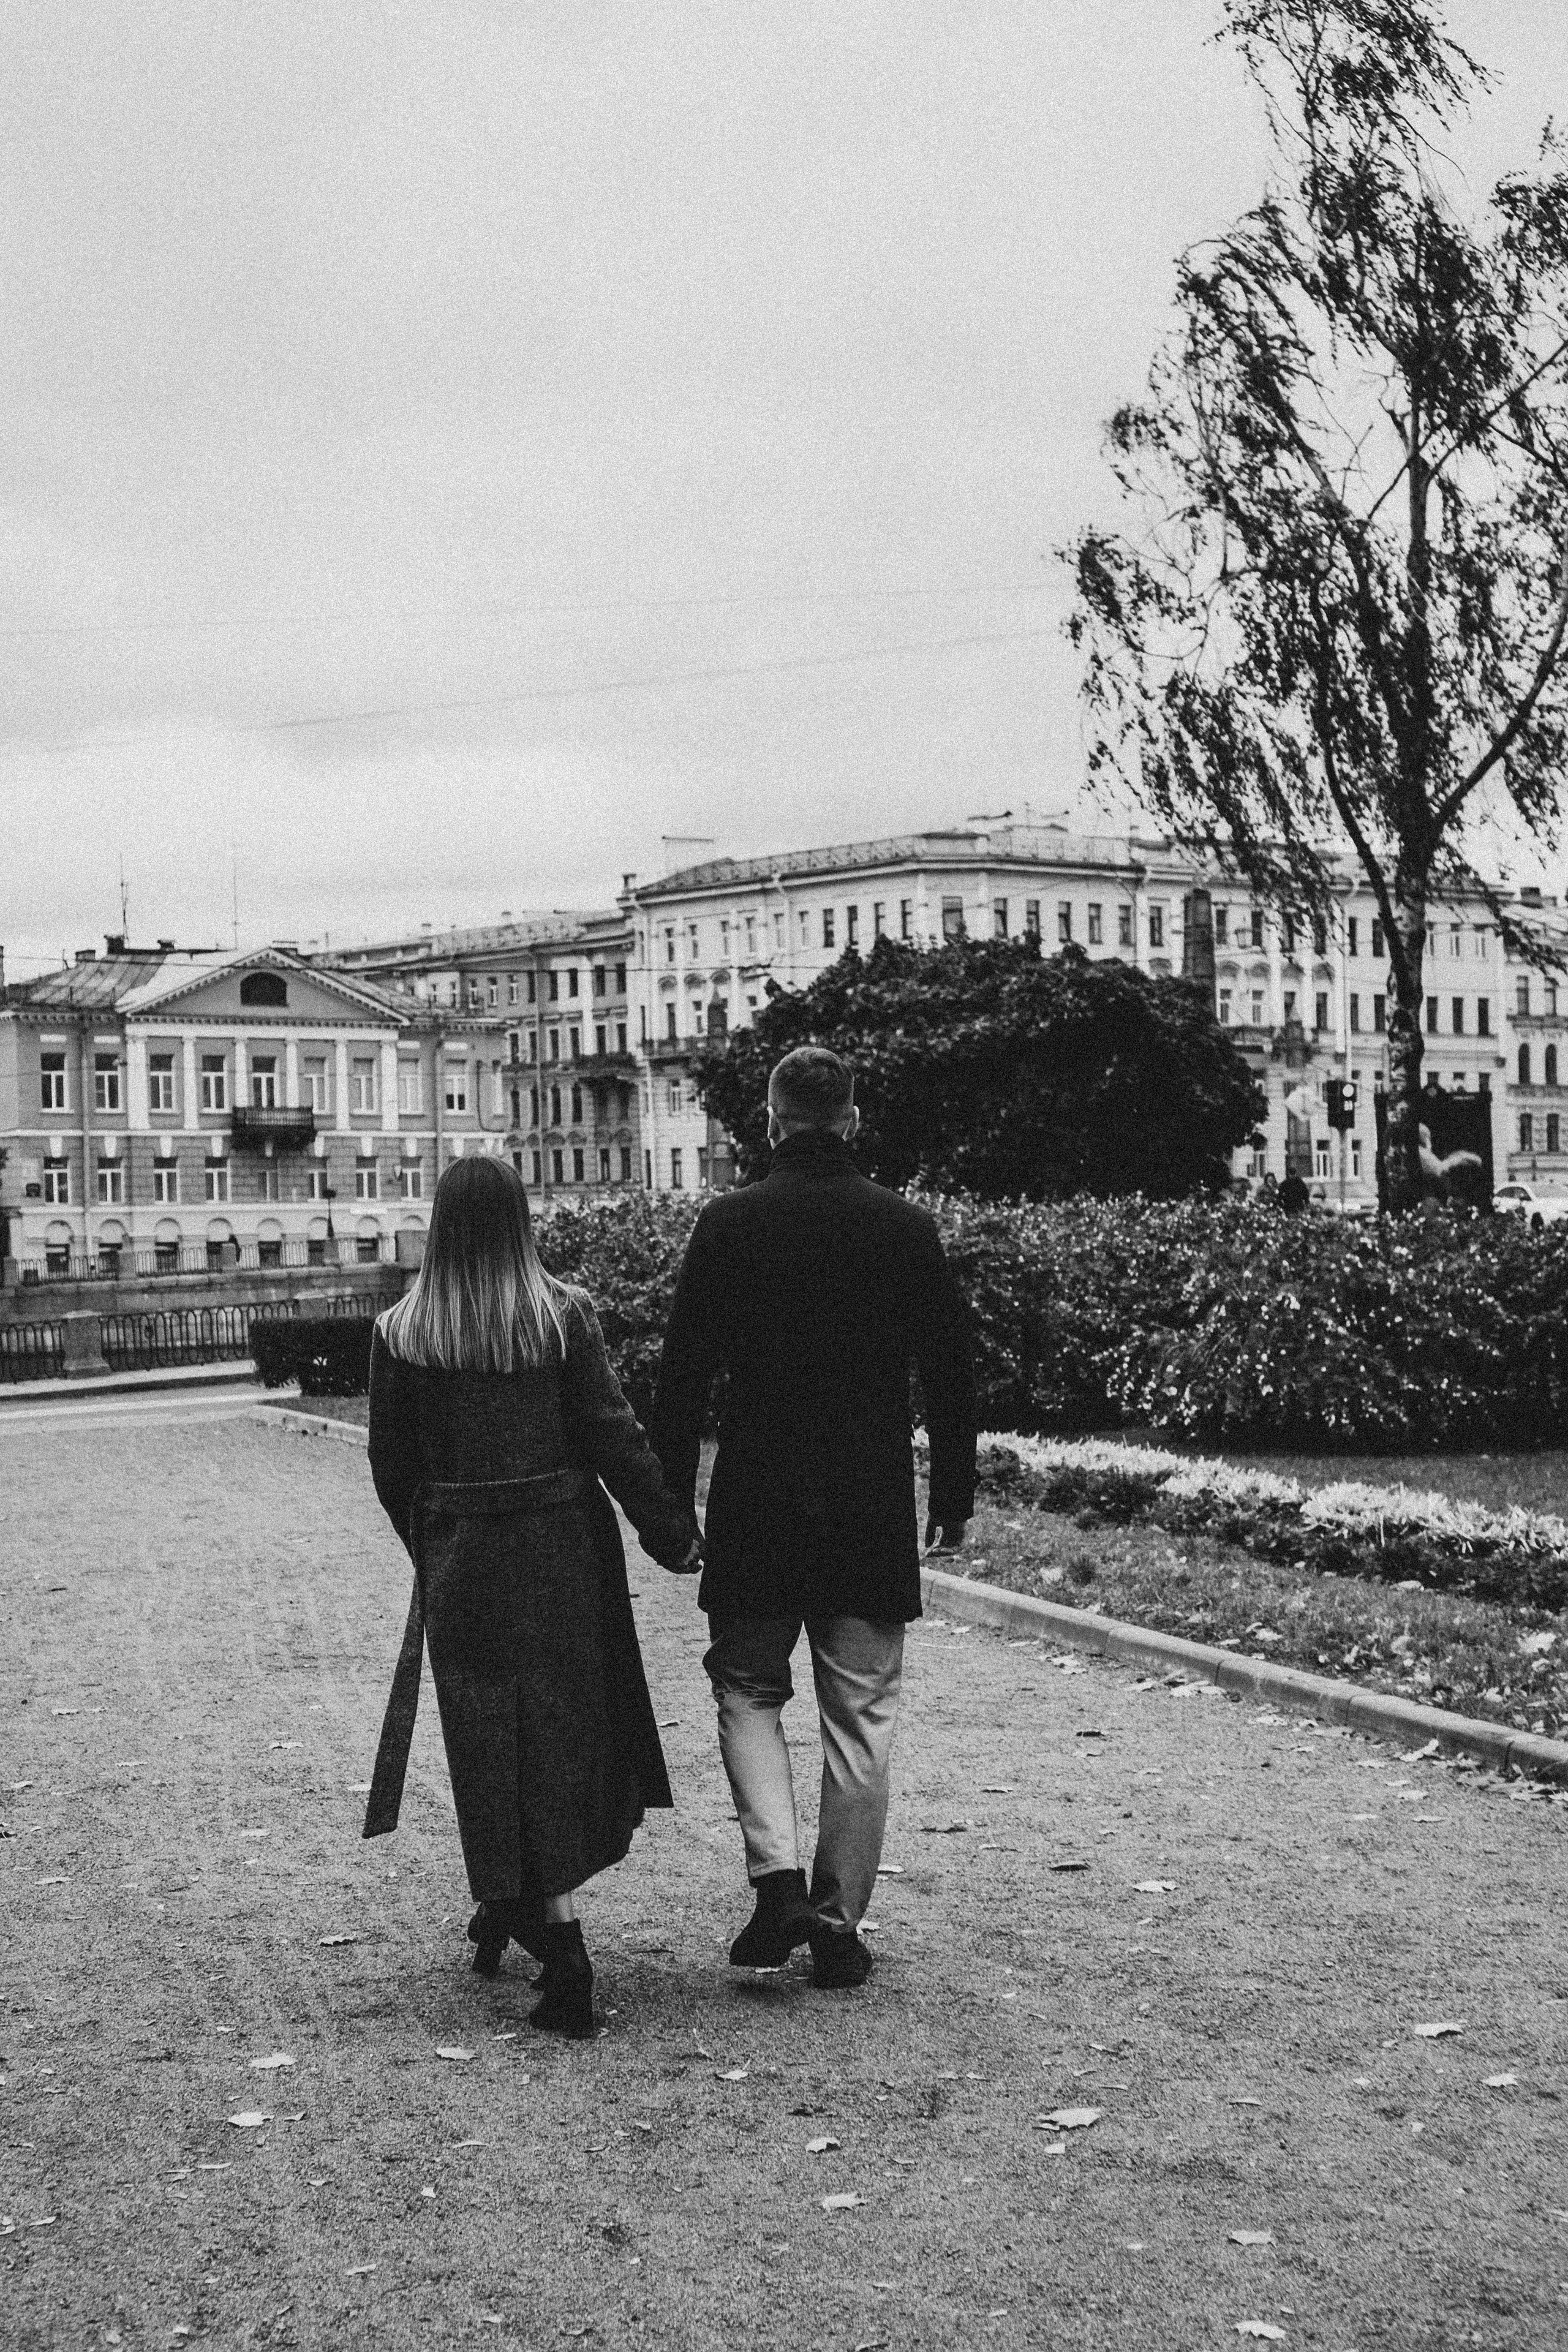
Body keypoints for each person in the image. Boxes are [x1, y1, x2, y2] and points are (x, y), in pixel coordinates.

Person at [649, 1045, 976, 1991]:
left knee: (748, 1688)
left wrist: (672, 1504)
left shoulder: (728, 1224)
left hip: (759, 1499)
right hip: (869, 1505)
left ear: (768, 1121)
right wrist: (951, 1499)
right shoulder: (905, 1228)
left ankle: (775, 1878)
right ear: (853, 1121)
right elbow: (951, 1377)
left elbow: (681, 1381)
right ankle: (836, 1923)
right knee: (861, 1715)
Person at [364, 1155, 701, 2038]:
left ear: (440, 1228)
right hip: (561, 1554)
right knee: (556, 1738)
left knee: (487, 1743)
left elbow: (391, 1470)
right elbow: (613, 1436)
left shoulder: (402, 1333)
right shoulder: (562, 1318)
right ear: (523, 1223)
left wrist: (437, 1546)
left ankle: (543, 1930)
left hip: (466, 1560)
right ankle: (546, 1924)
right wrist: (670, 1533)